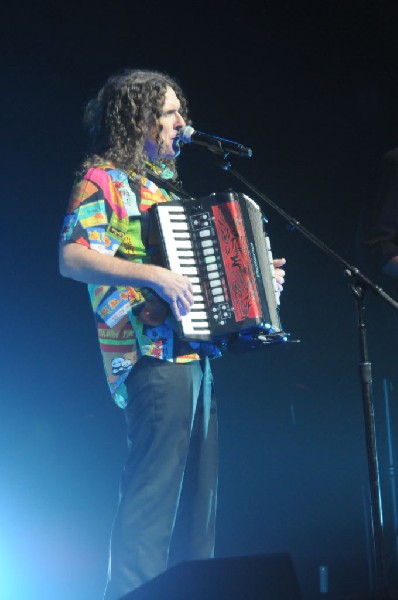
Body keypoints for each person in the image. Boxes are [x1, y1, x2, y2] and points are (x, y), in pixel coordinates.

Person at [59, 68, 286, 600]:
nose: (182, 122)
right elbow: (72, 256)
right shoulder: (103, 179)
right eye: (170, 113)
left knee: (198, 506)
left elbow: (204, 272)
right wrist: (153, 275)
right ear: (138, 118)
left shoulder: (162, 186)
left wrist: (257, 281)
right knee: (152, 499)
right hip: (147, 353)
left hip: (193, 355)